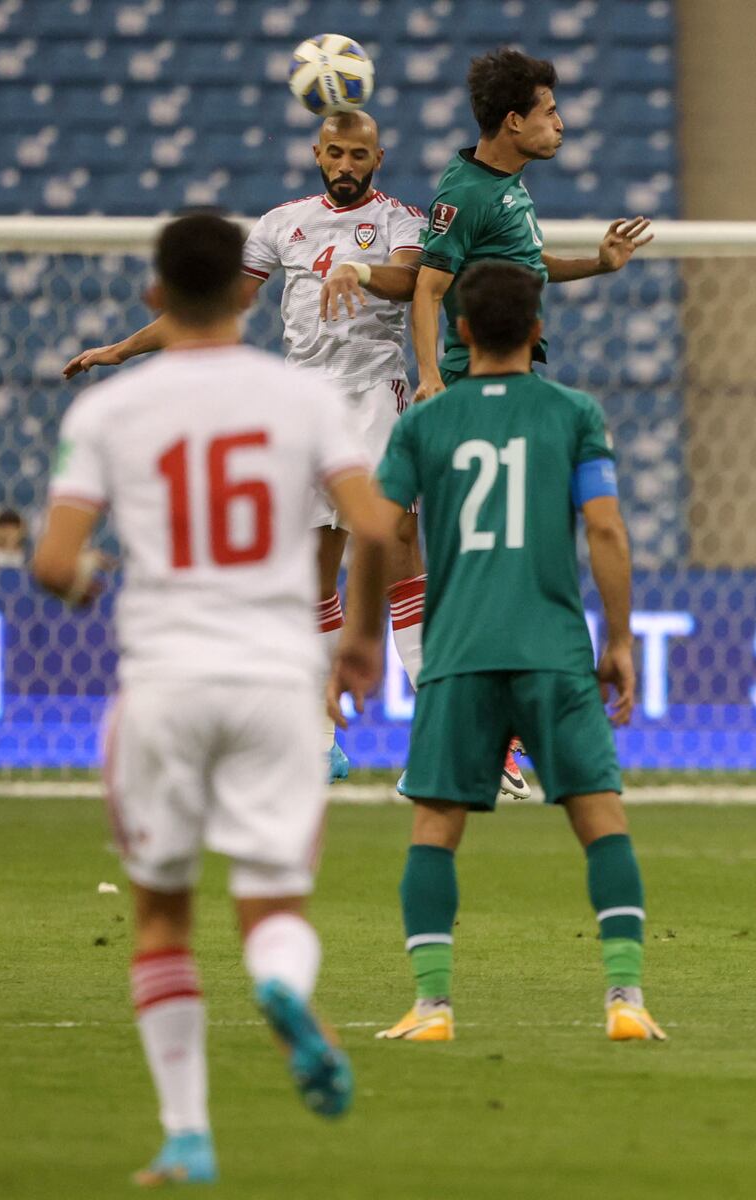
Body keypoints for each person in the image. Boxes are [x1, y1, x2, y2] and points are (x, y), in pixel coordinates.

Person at [35, 213, 390, 1186]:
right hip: (278, 680)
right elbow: (373, 526)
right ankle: (280, 986)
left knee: (160, 918)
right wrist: (358, 641)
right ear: (249, 292)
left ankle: (187, 1136)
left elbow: (55, 560)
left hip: (164, 680)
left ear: (153, 297)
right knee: (273, 896)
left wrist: (87, 578)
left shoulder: (107, 416)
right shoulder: (303, 400)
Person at [61, 111, 530, 799]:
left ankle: (457, 735)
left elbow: (412, 282)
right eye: (335, 153)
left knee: (400, 548)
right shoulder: (281, 223)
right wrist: (120, 349)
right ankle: (317, 744)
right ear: (317, 154)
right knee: (313, 576)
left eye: (358, 154)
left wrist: (358, 269)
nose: (346, 165)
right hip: (304, 407)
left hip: (374, 395)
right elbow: (219, 304)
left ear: (377, 156)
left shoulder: (401, 221)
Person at [330, 259, 666, 1045]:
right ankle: (625, 999)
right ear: (538, 330)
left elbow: (379, 531)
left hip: (457, 652)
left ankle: (433, 1007)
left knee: (436, 827)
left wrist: (358, 642)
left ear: (462, 330)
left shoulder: (423, 425)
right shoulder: (573, 412)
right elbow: (608, 530)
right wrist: (617, 638)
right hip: (553, 649)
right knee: (601, 819)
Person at [411, 47, 654, 398]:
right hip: (474, 374)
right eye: (550, 112)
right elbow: (428, 289)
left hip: (509, 369)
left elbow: (524, 262)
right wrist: (430, 376)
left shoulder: (505, 178)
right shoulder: (466, 196)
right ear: (514, 121)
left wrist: (599, 265)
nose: (560, 124)